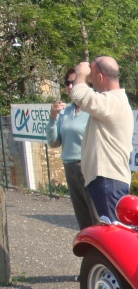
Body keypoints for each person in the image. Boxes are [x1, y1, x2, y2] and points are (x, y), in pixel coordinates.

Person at [69, 56, 134, 223]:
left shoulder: (113, 102)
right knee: (106, 233)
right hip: (107, 180)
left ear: (100, 77)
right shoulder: (113, 102)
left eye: (92, 77)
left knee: (112, 236)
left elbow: (78, 94)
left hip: (108, 180)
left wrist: (81, 73)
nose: (90, 81)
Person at [46, 68, 96, 230]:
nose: (69, 86)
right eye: (66, 83)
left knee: (97, 216)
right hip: (69, 166)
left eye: (73, 82)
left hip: (88, 166)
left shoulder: (93, 110)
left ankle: (103, 253)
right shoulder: (65, 112)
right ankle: (90, 253)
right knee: (82, 217)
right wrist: (53, 117)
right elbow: (54, 142)